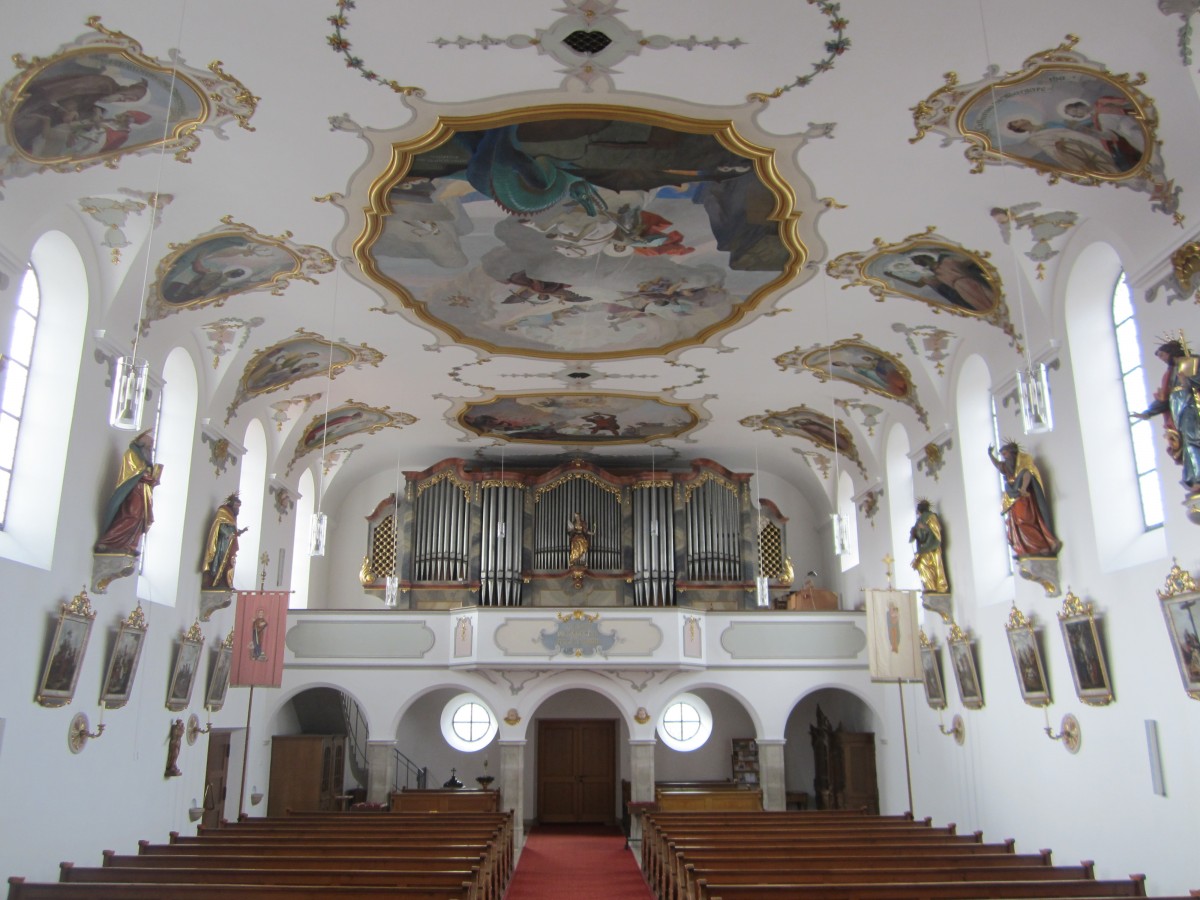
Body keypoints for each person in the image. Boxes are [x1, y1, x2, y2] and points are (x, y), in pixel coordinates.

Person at [1133, 339, 1200, 497]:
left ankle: (1197, 478)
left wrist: (1188, 381)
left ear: (1171, 351)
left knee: (1193, 441)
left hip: (1191, 407)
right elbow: (1164, 399)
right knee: (1185, 444)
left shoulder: (1192, 362)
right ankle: (1193, 479)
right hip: (1177, 411)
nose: (1162, 359)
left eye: (1163, 355)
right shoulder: (1169, 375)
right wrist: (1147, 413)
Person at [987, 442, 1062, 558]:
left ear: (1012, 453)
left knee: (1026, 520)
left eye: (1005, 454)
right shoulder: (1006, 467)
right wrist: (990, 455)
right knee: (1018, 524)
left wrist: (1022, 488)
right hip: (1013, 500)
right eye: (1002, 455)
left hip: (1025, 499)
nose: (1004, 457)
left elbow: (1027, 475)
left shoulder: (1022, 466)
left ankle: (1043, 546)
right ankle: (1026, 548)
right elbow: (997, 465)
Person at [95, 431, 162, 555]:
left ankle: (129, 546)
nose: (150, 449)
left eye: (151, 447)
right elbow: (133, 474)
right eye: (148, 446)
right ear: (141, 444)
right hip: (134, 491)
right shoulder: (132, 454)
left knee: (140, 519)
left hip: (144, 493)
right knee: (131, 516)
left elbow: (145, 474)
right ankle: (107, 542)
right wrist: (149, 477)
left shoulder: (146, 460)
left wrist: (153, 478)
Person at [201, 494, 248, 590]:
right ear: (231, 504)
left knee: (229, 562)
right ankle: (217, 580)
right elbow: (220, 526)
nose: (238, 509)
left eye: (239, 507)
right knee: (221, 559)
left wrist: (240, 531)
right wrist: (228, 534)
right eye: (236, 506)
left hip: (229, 543)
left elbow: (233, 530)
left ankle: (225, 581)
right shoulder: (223, 512)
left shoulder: (232, 516)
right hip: (223, 543)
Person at [909, 500, 949, 593]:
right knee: (922, 566)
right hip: (923, 549)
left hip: (932, 547)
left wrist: (925, 528)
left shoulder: (931, 517)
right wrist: (914, 533)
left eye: (918, 509)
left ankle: (937, 588)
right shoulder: (919, 520)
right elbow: (918, 536)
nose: (917, 512)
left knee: (935, 567)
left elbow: (935, 533)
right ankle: (929, 587)